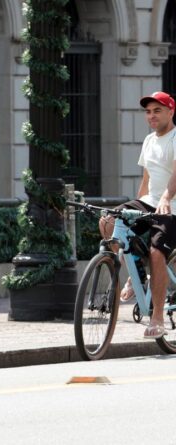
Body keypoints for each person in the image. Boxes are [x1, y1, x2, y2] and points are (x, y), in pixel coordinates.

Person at [99, 91, 176, 339]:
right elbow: (147, 178)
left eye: (157, 110)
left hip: (172, 207)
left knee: (156, 252)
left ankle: (157, 319)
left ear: (171, 112)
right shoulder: (149, 140)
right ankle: (135, 273)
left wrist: (166, 198)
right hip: (151, 201)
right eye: (148, 112)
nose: (151, 116)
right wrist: (135, 206)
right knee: (109, 220)